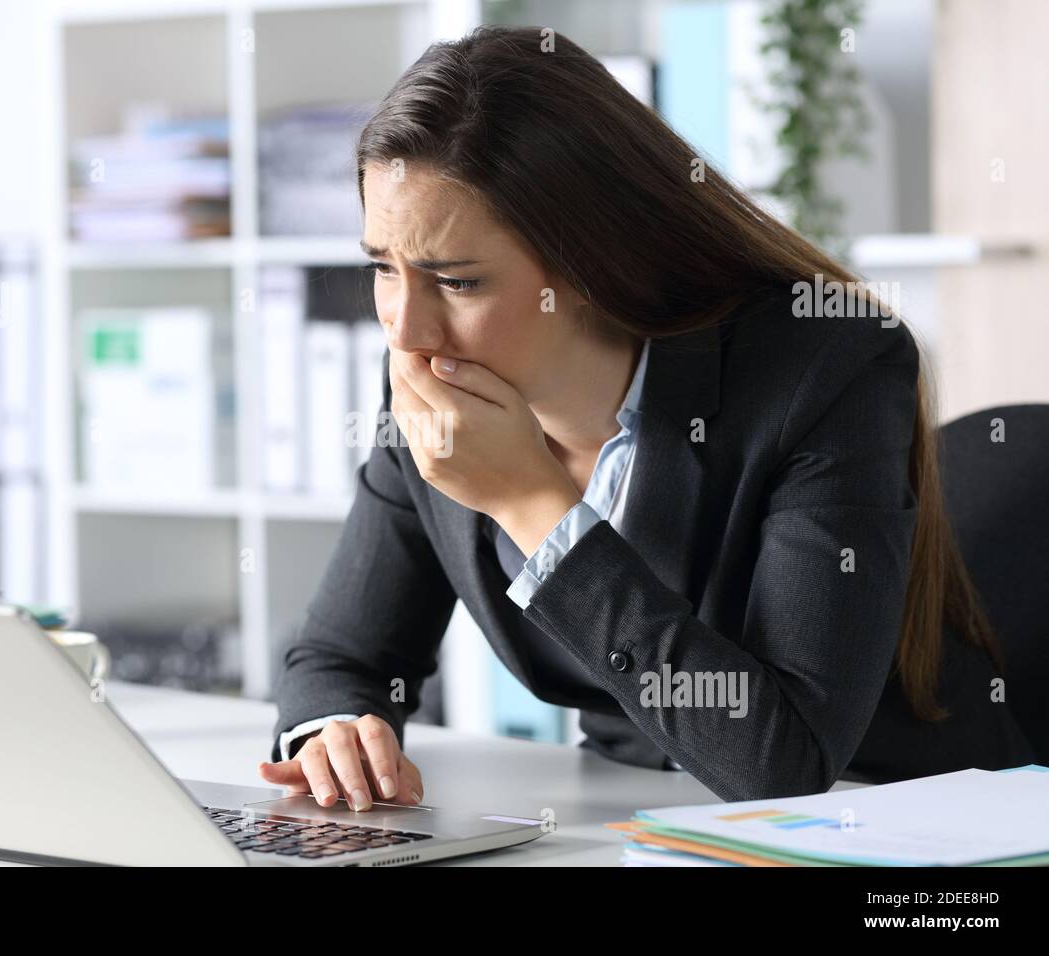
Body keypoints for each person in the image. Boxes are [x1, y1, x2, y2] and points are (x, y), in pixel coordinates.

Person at [257, 25, 1034, 811]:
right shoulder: (429, 391)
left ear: (592, 260)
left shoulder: (828, 372)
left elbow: (785, 762)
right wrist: (332, 732)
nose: (404, 330)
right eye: (382, 267)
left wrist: (536, 508)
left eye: (455, 282)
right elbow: (339, 654)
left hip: (900, 818)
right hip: (636, 816)